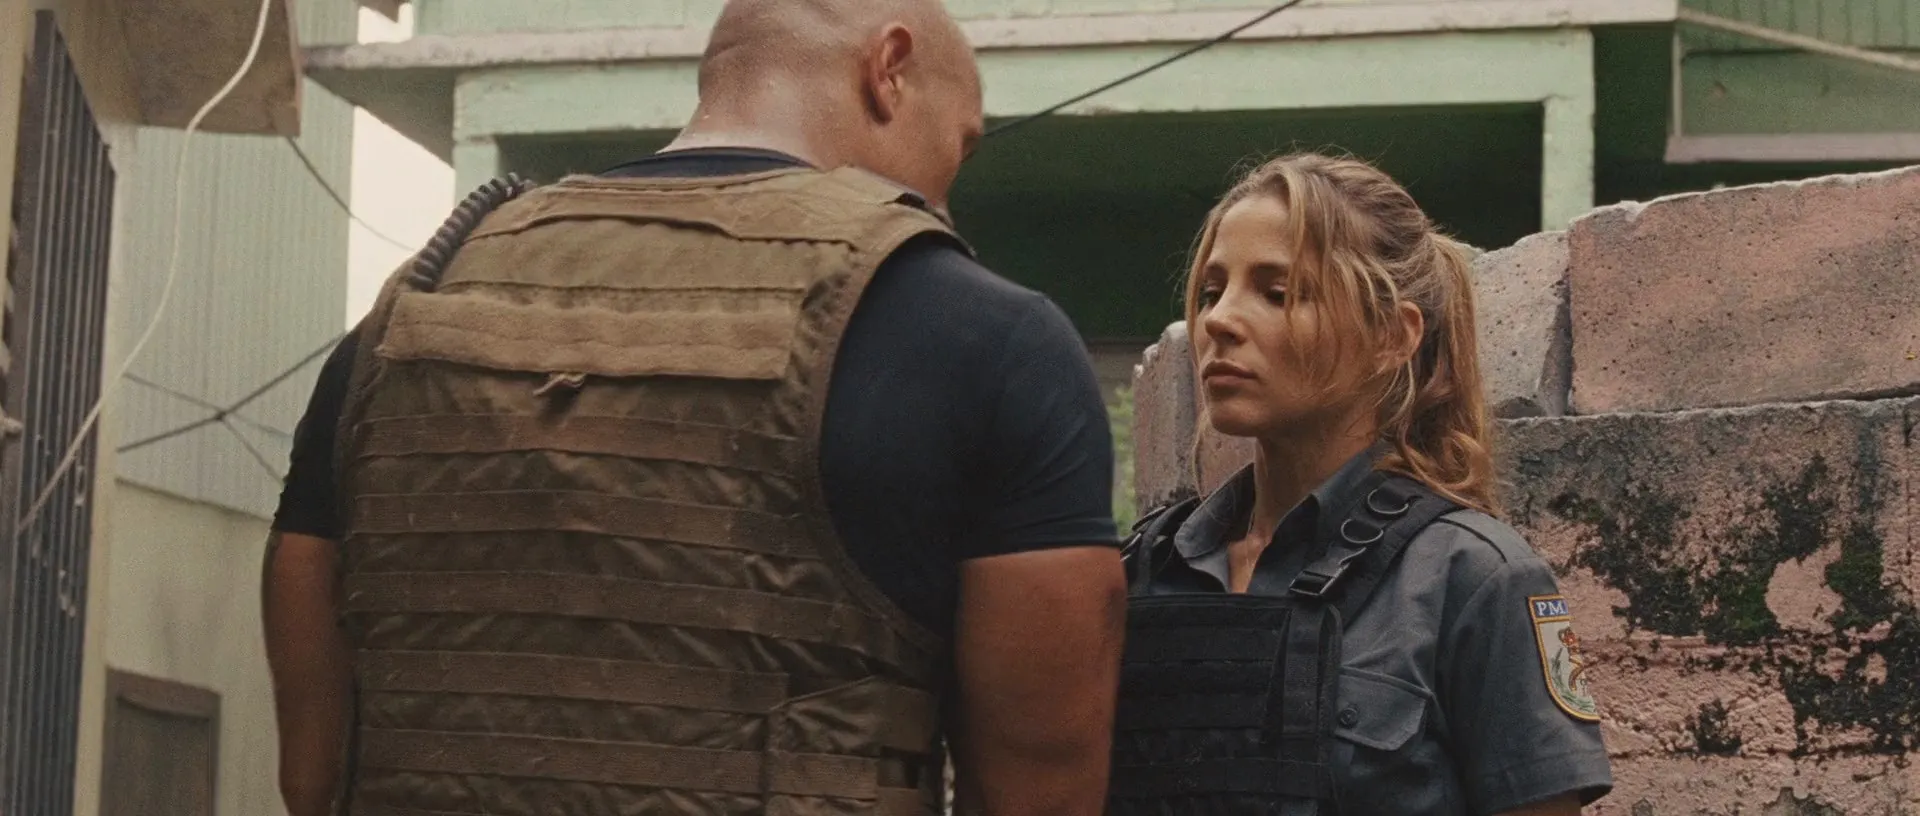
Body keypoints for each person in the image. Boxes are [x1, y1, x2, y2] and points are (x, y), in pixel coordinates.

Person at [261, 1, 1128, 814]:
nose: (948, 195)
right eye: (960, 147)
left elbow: (314, 774)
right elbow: (1041, 788)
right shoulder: (992, 342)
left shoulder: (402, 324)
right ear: (888, 69)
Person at [1109, 153, 1613, 815]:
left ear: (1391, 336)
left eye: (1277, 293)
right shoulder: (1143, 572)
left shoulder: (1473, 578)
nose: (1219, 322)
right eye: (1211, 292)